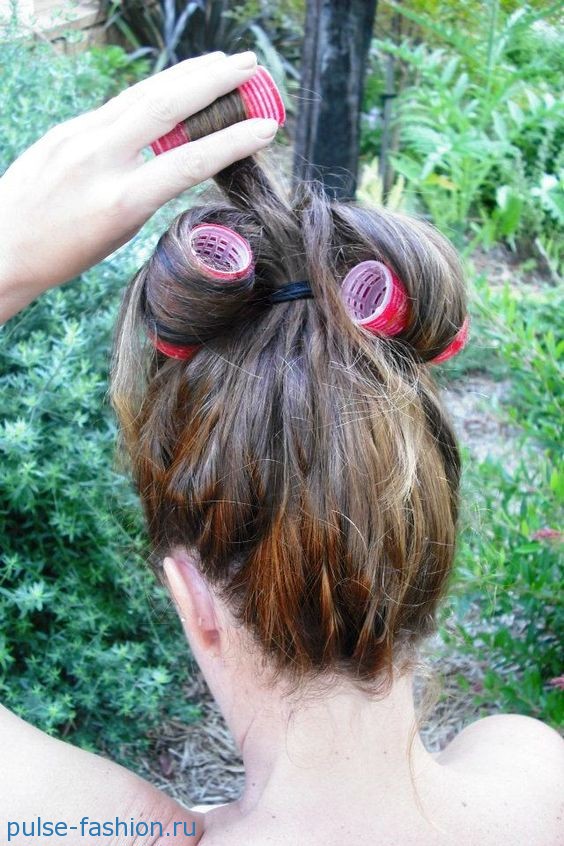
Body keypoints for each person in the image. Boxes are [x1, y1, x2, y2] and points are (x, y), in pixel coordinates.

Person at [0, 50, 562, 846]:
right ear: (430, 542)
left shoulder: (100, 833)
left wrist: (9, 252)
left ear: (191, 597)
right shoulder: (534, 774)